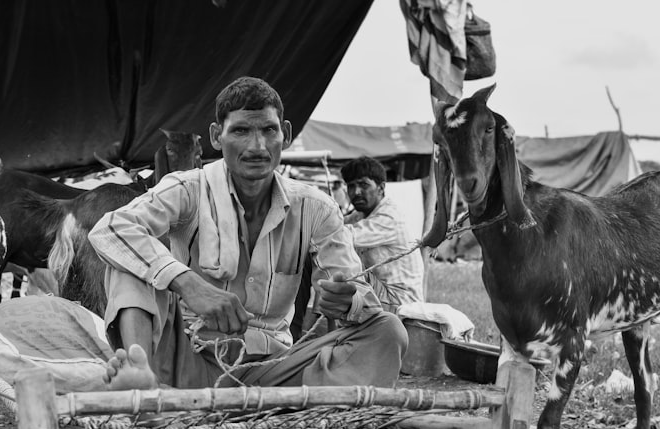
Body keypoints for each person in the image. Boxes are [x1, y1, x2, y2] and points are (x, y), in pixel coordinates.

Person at [89, 76, 407, 397]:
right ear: (217, 136)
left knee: (387, 330)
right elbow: (110, 229)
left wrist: (348, 299)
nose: (257, 146)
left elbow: (359, 292)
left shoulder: (316, 208)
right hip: (189, 358)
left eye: (269, 130)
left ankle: (294, 400)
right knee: (128, 259)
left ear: (286, 134)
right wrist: (188, 283)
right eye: (241, 131)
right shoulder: (188, 188)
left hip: (276, 368)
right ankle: (140, 372)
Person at [340, 156, 424, 312]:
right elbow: (335, 225)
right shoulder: (360, 215)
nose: (356, 192)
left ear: (381, 188)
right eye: (351, 186)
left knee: (342, 266)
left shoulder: (390, 216)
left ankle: (314, 324)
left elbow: (342, 235)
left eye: (363, 185)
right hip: (381, 295)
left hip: (399, 301)